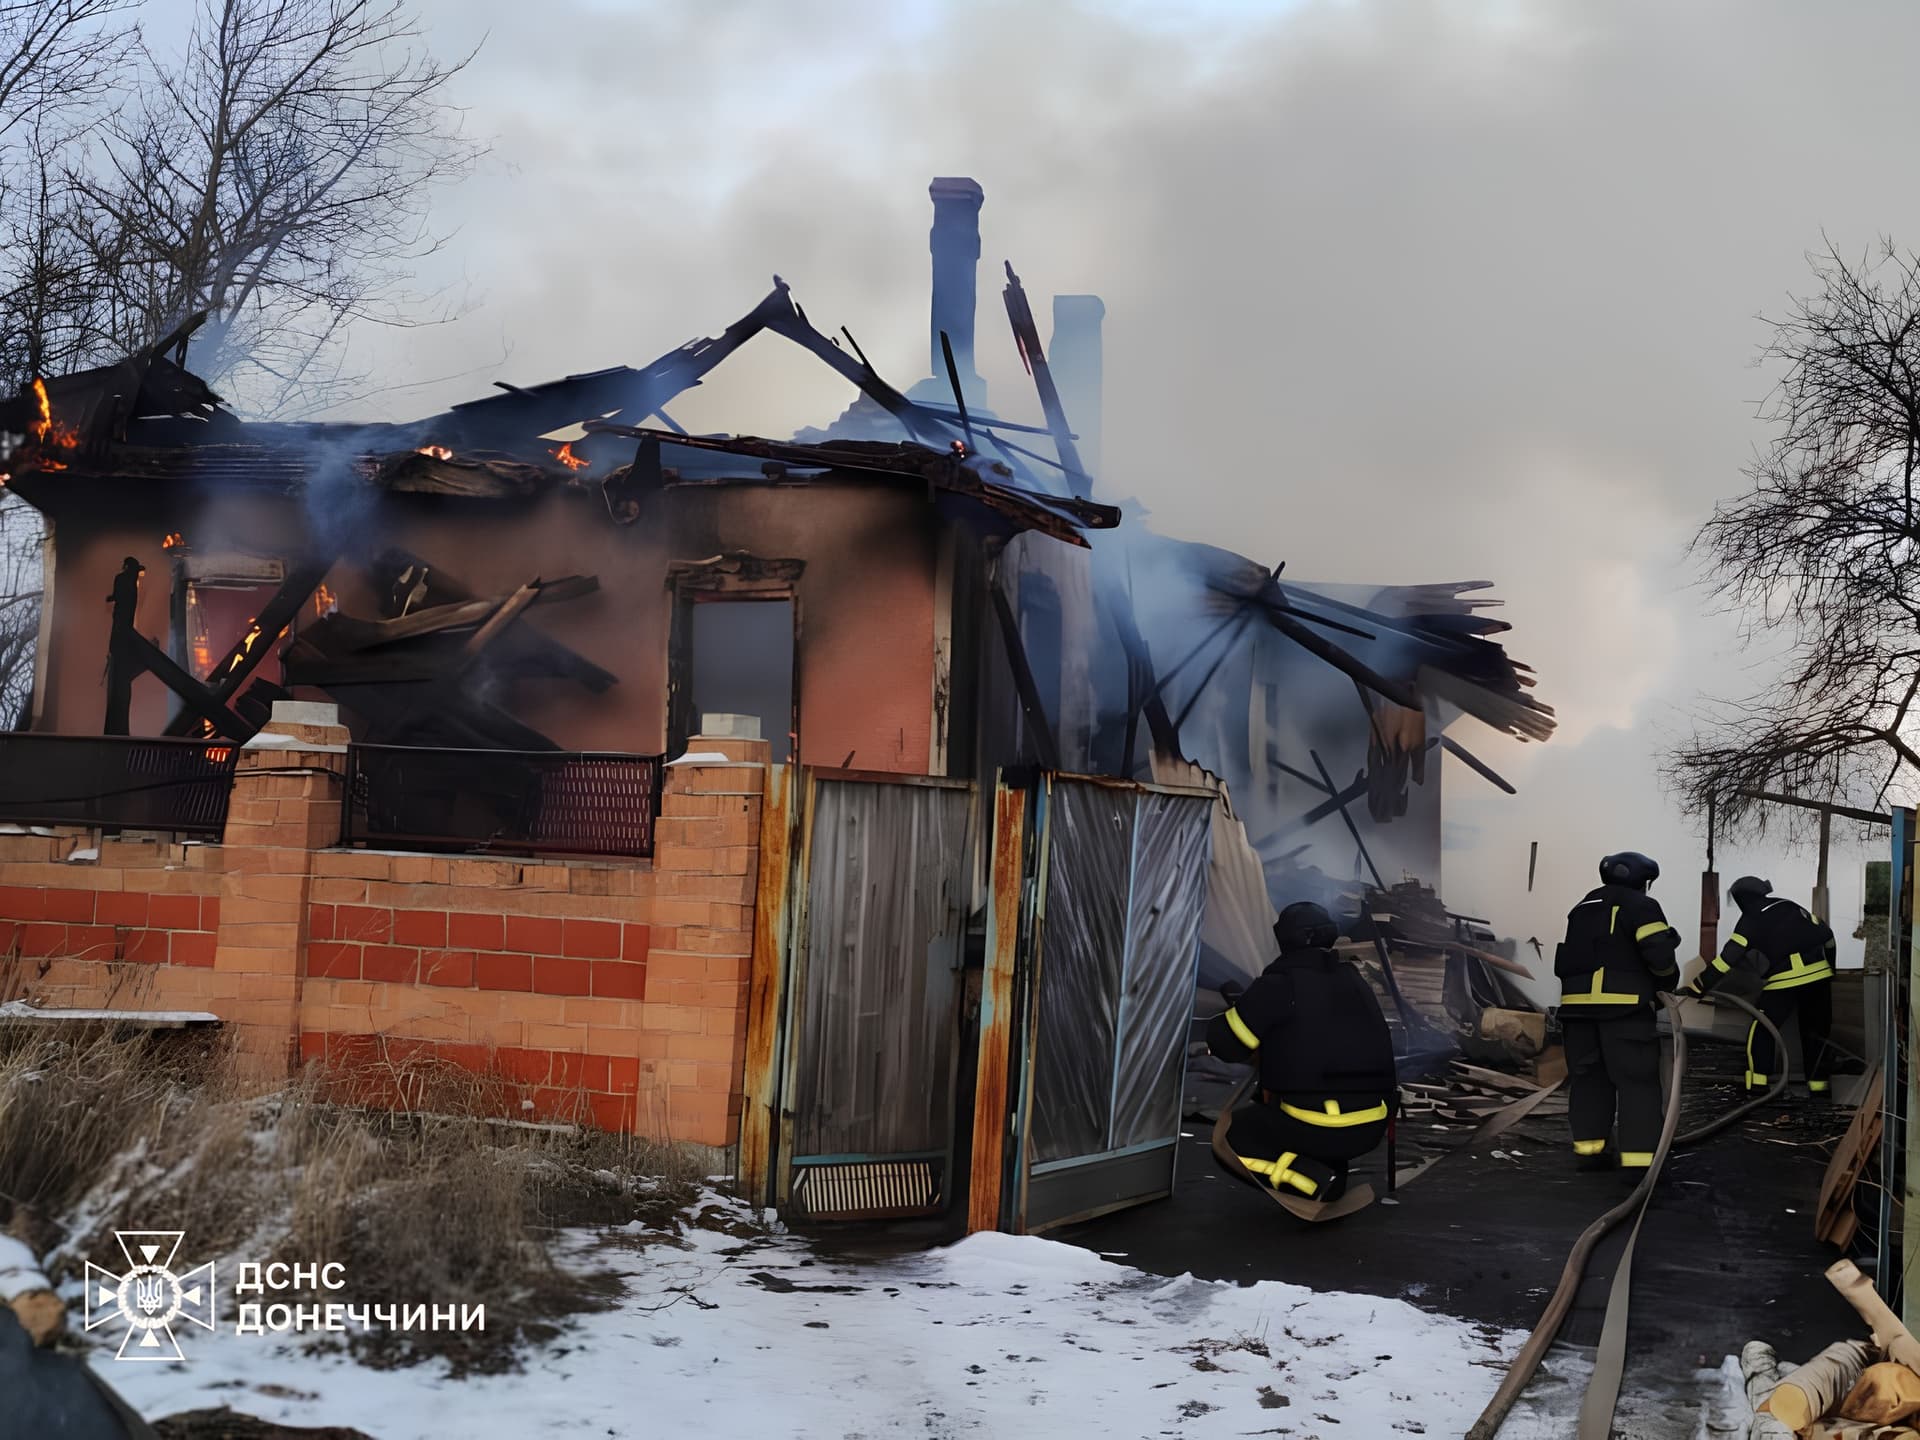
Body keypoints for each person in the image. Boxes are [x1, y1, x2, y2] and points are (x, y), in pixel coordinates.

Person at [1206, 900, 1396, 1202]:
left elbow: (1227, 1044)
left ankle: (1312, 1181)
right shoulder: (1355, 982)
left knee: (1233, 1135)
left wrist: (1242, 1011)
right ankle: (1330, 1174)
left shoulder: (1278, 985)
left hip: (1314, 1125)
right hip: (1372, 1126)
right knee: (1323, 1112)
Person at [1555, 852, 1682, 1171]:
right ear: (1644, 881)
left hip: (1577, 1014)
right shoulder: (1642, 906)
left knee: (1588, 1081)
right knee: (1636, 1083)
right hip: (1624, 1012)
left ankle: (1589, 1153)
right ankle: (1638, 1164)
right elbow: (1659, 955)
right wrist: (1666, 981)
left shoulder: (1580, 909)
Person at [1681, 876, 1835, 1095]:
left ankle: (1758, 1086)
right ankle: (1820, 1091)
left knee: (1762, 1029)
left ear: (1741, 899)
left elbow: (1726, 960)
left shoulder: (1750, 919)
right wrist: (1832, 969)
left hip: (1786, 980)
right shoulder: (1792, 907)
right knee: (1816, 1034)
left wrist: (1696, 988)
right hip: (1820, 978)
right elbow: (1828, 938)